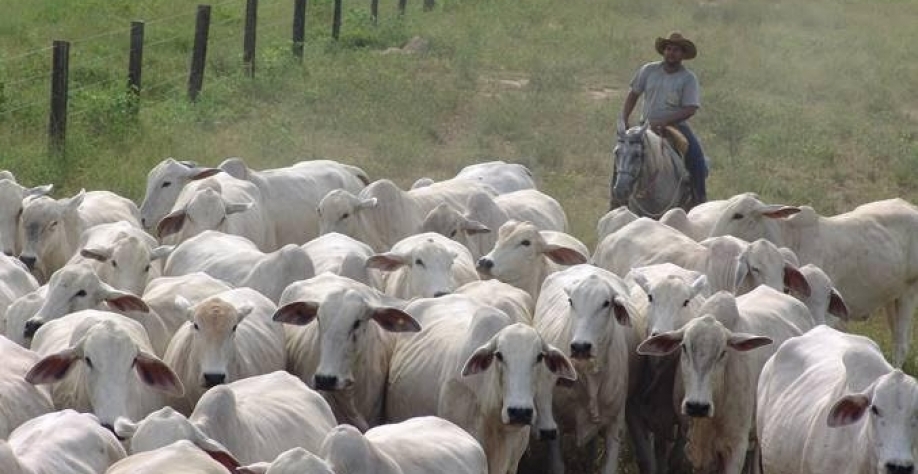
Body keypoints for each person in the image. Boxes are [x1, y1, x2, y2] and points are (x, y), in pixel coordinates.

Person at [619, 31, 707, 205]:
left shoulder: (688, 78)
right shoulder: (648, 70)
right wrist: (624, 118)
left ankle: (699, 200)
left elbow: (691, 108)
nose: (671, 53)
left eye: (676, 50)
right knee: (623, 155)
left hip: (675, 127)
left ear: (682, 55)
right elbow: (633, 94)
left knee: (697, 159)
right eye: (668, 49)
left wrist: (665, 122)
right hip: (646, 126)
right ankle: (616, 200)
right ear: (664, 51)